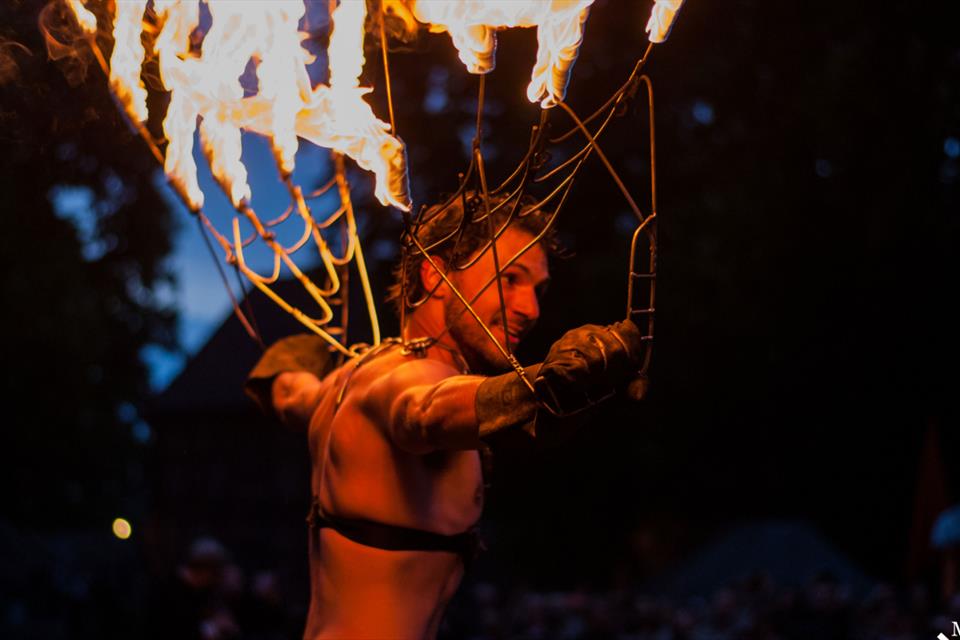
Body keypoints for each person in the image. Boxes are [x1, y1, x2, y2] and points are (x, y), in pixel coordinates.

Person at [245, 192, 645, 639]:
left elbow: (292, 395)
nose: (531, 309)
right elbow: (427, 409)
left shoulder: (351, 377)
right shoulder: (411, 379)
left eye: (537, 289)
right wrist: (543, 389)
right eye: (510, 279)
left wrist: (287, 368)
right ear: (436, 275)